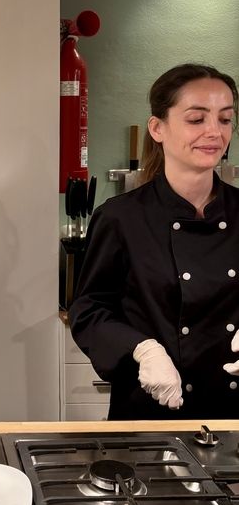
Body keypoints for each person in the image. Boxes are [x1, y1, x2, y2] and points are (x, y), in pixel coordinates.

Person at [69, 63, 239, 420]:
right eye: (197, 119)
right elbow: (89, 311)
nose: (214, 131)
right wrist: (142, 348)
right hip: (150, 414)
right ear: (157, 128)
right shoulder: (122, 217)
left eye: (225, 119)